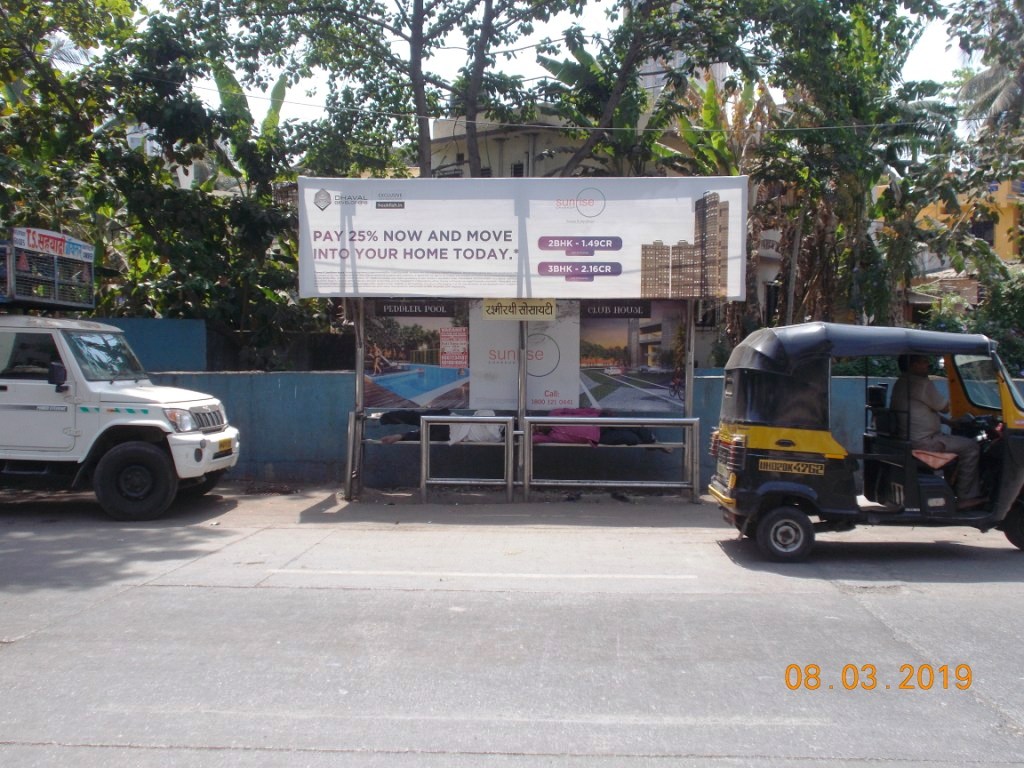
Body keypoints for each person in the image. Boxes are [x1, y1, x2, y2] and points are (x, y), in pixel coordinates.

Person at [890, 354, 984, 509]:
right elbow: (944, 407)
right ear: (912, 365)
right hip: (926, 441)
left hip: (909, 438)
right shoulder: (922, 383)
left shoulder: (902, 382)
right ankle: (966, 497)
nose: (928, 364)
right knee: (971, 446)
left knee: (958, 444)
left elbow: (922, 411)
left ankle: (951, 490)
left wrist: (948, 422)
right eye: (923, 361)